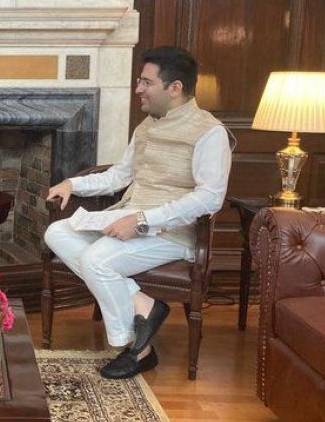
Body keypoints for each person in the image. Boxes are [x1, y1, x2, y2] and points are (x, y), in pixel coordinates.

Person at [44, 46, 232, 380]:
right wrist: (72, 184)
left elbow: (209, 198)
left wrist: (143, 221)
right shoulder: (146, 126)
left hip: (172, 234)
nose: (138, 89)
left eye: (146, 82)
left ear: (174, 88)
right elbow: (120, 175)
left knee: (98, 260)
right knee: (56, 232)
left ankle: (134, 348)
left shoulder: (210, 132)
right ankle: (144, 305)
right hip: (128, 217)